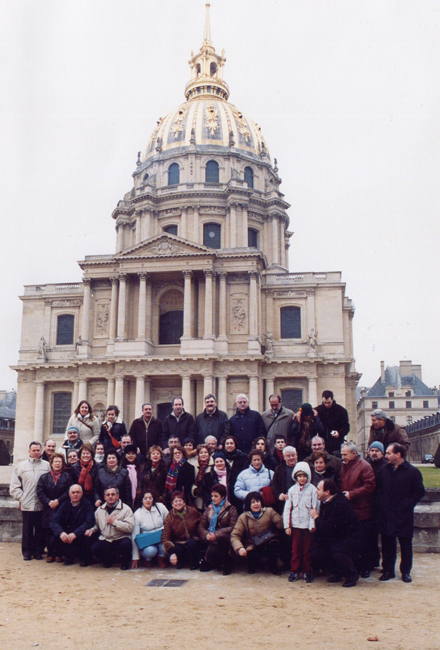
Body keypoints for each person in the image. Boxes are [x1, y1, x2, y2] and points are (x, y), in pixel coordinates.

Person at [376, 443, 425, 583]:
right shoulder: (383, 470)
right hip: (387, 514)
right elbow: (377, 490)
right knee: (387, 544)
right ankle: (388, 570)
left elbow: (419, 492)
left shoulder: (413, 472)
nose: (385, 456)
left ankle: (406, 572)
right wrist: (382, 504)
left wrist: (407, 504)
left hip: (404, 514)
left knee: (405, 544)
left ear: (398, 455)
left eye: (388, 453)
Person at [310, 479, 361, 587]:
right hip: (336, 536)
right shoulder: (327, 501)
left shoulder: (340, 504)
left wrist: (316, 517)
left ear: (327, 492)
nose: (316, 491)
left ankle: (352, 576)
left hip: (349, 537)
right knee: (316, 551)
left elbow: (328, 527)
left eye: (318, 489)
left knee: (339, 553)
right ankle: (337, 573)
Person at [340, 442, 376, 578]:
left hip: (362, 510)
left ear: (354, 453)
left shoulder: (364, 466)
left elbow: (370, 486)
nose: (343, 457)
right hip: (350, 510)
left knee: (365, 541)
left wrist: (352, 494)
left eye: (345, 454)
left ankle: (366, 567)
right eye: (342, 454)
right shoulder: (344, 466)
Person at [10, 441, 50, 560]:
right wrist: (22, 498)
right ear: (29, 451)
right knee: (27, 530)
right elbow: (14, 486)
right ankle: (27, 552)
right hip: (27, 504)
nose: (36, 452)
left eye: (38, 450)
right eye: (34, 450)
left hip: (41, 503)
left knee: (39, 530)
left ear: (41, 451)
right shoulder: (21, 466)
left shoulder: (47, 465)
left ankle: (37, 551)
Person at [230, 491, 284, 574]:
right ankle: (257, 563)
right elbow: (235, 535)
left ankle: (273, 566)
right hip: (252, 544)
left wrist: (283, 516)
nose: (256, 504)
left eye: (258, 501)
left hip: (268, 541)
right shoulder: (243, 517)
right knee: (251, 564)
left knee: (274, 545)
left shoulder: (269, 511)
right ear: (248, 504)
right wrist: (239, 548)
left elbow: (280, 524)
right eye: (253, 502)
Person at [284, 462, 319, 582]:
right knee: (295, 549)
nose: (302, 478)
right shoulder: (292, 490)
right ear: (295, 477)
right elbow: (288, 509)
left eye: (304, 476)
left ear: (308, 476)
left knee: (307, 550)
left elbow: (315, 508)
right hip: (296, 525)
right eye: (299, 476)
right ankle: (294, 571)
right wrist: (287, 526)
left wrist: (313, 525)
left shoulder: (313, 490)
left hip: (308, 526)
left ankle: (307, 571)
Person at [86, 486, 135, 570]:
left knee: (126, 544)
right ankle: (109, 560)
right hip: (106, 539)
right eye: (108, 495)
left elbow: (130, 528)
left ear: (118, 496)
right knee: (94, 548)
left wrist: (114, 522)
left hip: (121, 538)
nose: (110, 497)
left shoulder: (126, 509)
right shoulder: (99, 510)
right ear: (104, 497)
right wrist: (92, 530)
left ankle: (125, 563)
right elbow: (97, 525)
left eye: (113, 494)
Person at [36, 453, 72, 562]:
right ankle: (50, 553)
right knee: (48, 531)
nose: (57, 464)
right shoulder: (44, 477)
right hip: (49, 508)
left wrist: (58, 501)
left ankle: (59, 553)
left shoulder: (67, 477)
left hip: (62, 507)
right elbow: (40, 492)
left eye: (59, 462)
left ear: (63, 464)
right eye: (55, 461)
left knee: (61, 530)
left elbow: (68, 491)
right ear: (51, 463)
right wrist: (49, 502)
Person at [50, 484, 95, 566]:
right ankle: (68, 556)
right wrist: (61, 533)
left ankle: (85, 558)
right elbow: (54, 521)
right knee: (53, 539)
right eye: (73, 492)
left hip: (80, 533)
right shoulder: (64, 505)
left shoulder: (88, 504)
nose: (75, 494)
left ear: (82, 493)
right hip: (68, 534)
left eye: (78, 492)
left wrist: (75, 534)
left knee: (88, 538)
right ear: (69, 494)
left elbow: (89, 522)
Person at [198, 484, 237, 575]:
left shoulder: (231, 509)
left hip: (224, 538)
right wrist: (206, 535)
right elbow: (201, 526)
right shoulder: (209, 509)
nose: (213, 498)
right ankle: (218, 563)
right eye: (212, 496)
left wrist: (216, 534)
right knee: (203, 567)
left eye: (216, 496)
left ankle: (226, 564)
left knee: (220, 541)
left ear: (222, 497)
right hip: (210, 537)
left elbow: (233, 527)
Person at [161, 490, 202, 569]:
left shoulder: (193, 511)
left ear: (184, 502)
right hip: (179, 541)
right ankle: (181, 562)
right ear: (172, 504)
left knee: (191, 544)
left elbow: (202, 524)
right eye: (175, 501)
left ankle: (195, 563)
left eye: (180, 500)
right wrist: (171, 552)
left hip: (193, 539)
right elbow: (165, 535)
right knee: (178, 550)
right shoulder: (169, 516)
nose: (178, 503)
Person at [131, 491, 169, 569]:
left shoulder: (160, 507)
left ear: (153, 499)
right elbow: (134, 535)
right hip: (147, 541)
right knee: (151, 551)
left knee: (165, 546)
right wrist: (135, 557)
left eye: (150, 498)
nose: (148, 500)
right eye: (145, 498)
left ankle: (161, 558)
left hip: (161, 537)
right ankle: (147, 559)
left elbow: (168, 521)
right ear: (142, 500)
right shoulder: (137, 514)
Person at [366, 441, 388, 569]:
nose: (374, 453)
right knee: (370, 536)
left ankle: (386, 565)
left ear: (382, 453)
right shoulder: (366, 464)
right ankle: (372, 561)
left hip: (382, 506)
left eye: (377, 451)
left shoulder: (386, 466)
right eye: (372, 450)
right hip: (369, 504)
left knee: (385, 537)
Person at [177, 443, 213, 508]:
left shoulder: (213, 465)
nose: (203, 454)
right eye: (201, 453)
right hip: (197, 498)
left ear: (209, 454)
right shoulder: (193, 465)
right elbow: (190, 481)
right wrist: (195, 490)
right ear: (198, 454)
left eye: (205, 452)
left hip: (210, 498)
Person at [314, 390, 350, 456]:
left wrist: (339, 433)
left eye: (329, 403)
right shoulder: (318, 410)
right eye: (325, 403)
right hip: (322, 444)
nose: (327, 405)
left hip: (336, 444)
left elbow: (346, 427)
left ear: (332, 400)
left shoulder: (341, 411)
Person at [221, 435, 249, 512]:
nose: (229, 445)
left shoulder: (243, 457)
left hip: (237, 489)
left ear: (235, 445)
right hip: (224, 489)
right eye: (227, 443)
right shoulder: (220, 457)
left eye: (231, 443)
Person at [270, 446, 298, 511]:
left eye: (293, 455)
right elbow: (274, 484)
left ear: (296, 455)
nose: (291, 458)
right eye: (288, 456)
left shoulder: (302, 467)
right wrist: (279, 494)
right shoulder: (279, 469)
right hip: (284, 503)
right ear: (284, 457)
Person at [120, 444, 145, 510]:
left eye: (133, 454)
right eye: (128, 454)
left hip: (138, 498)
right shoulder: (120, 469)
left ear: (136, 455)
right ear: (125, 455)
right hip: (124, 497)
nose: (131, 455)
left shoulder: (141, 468)